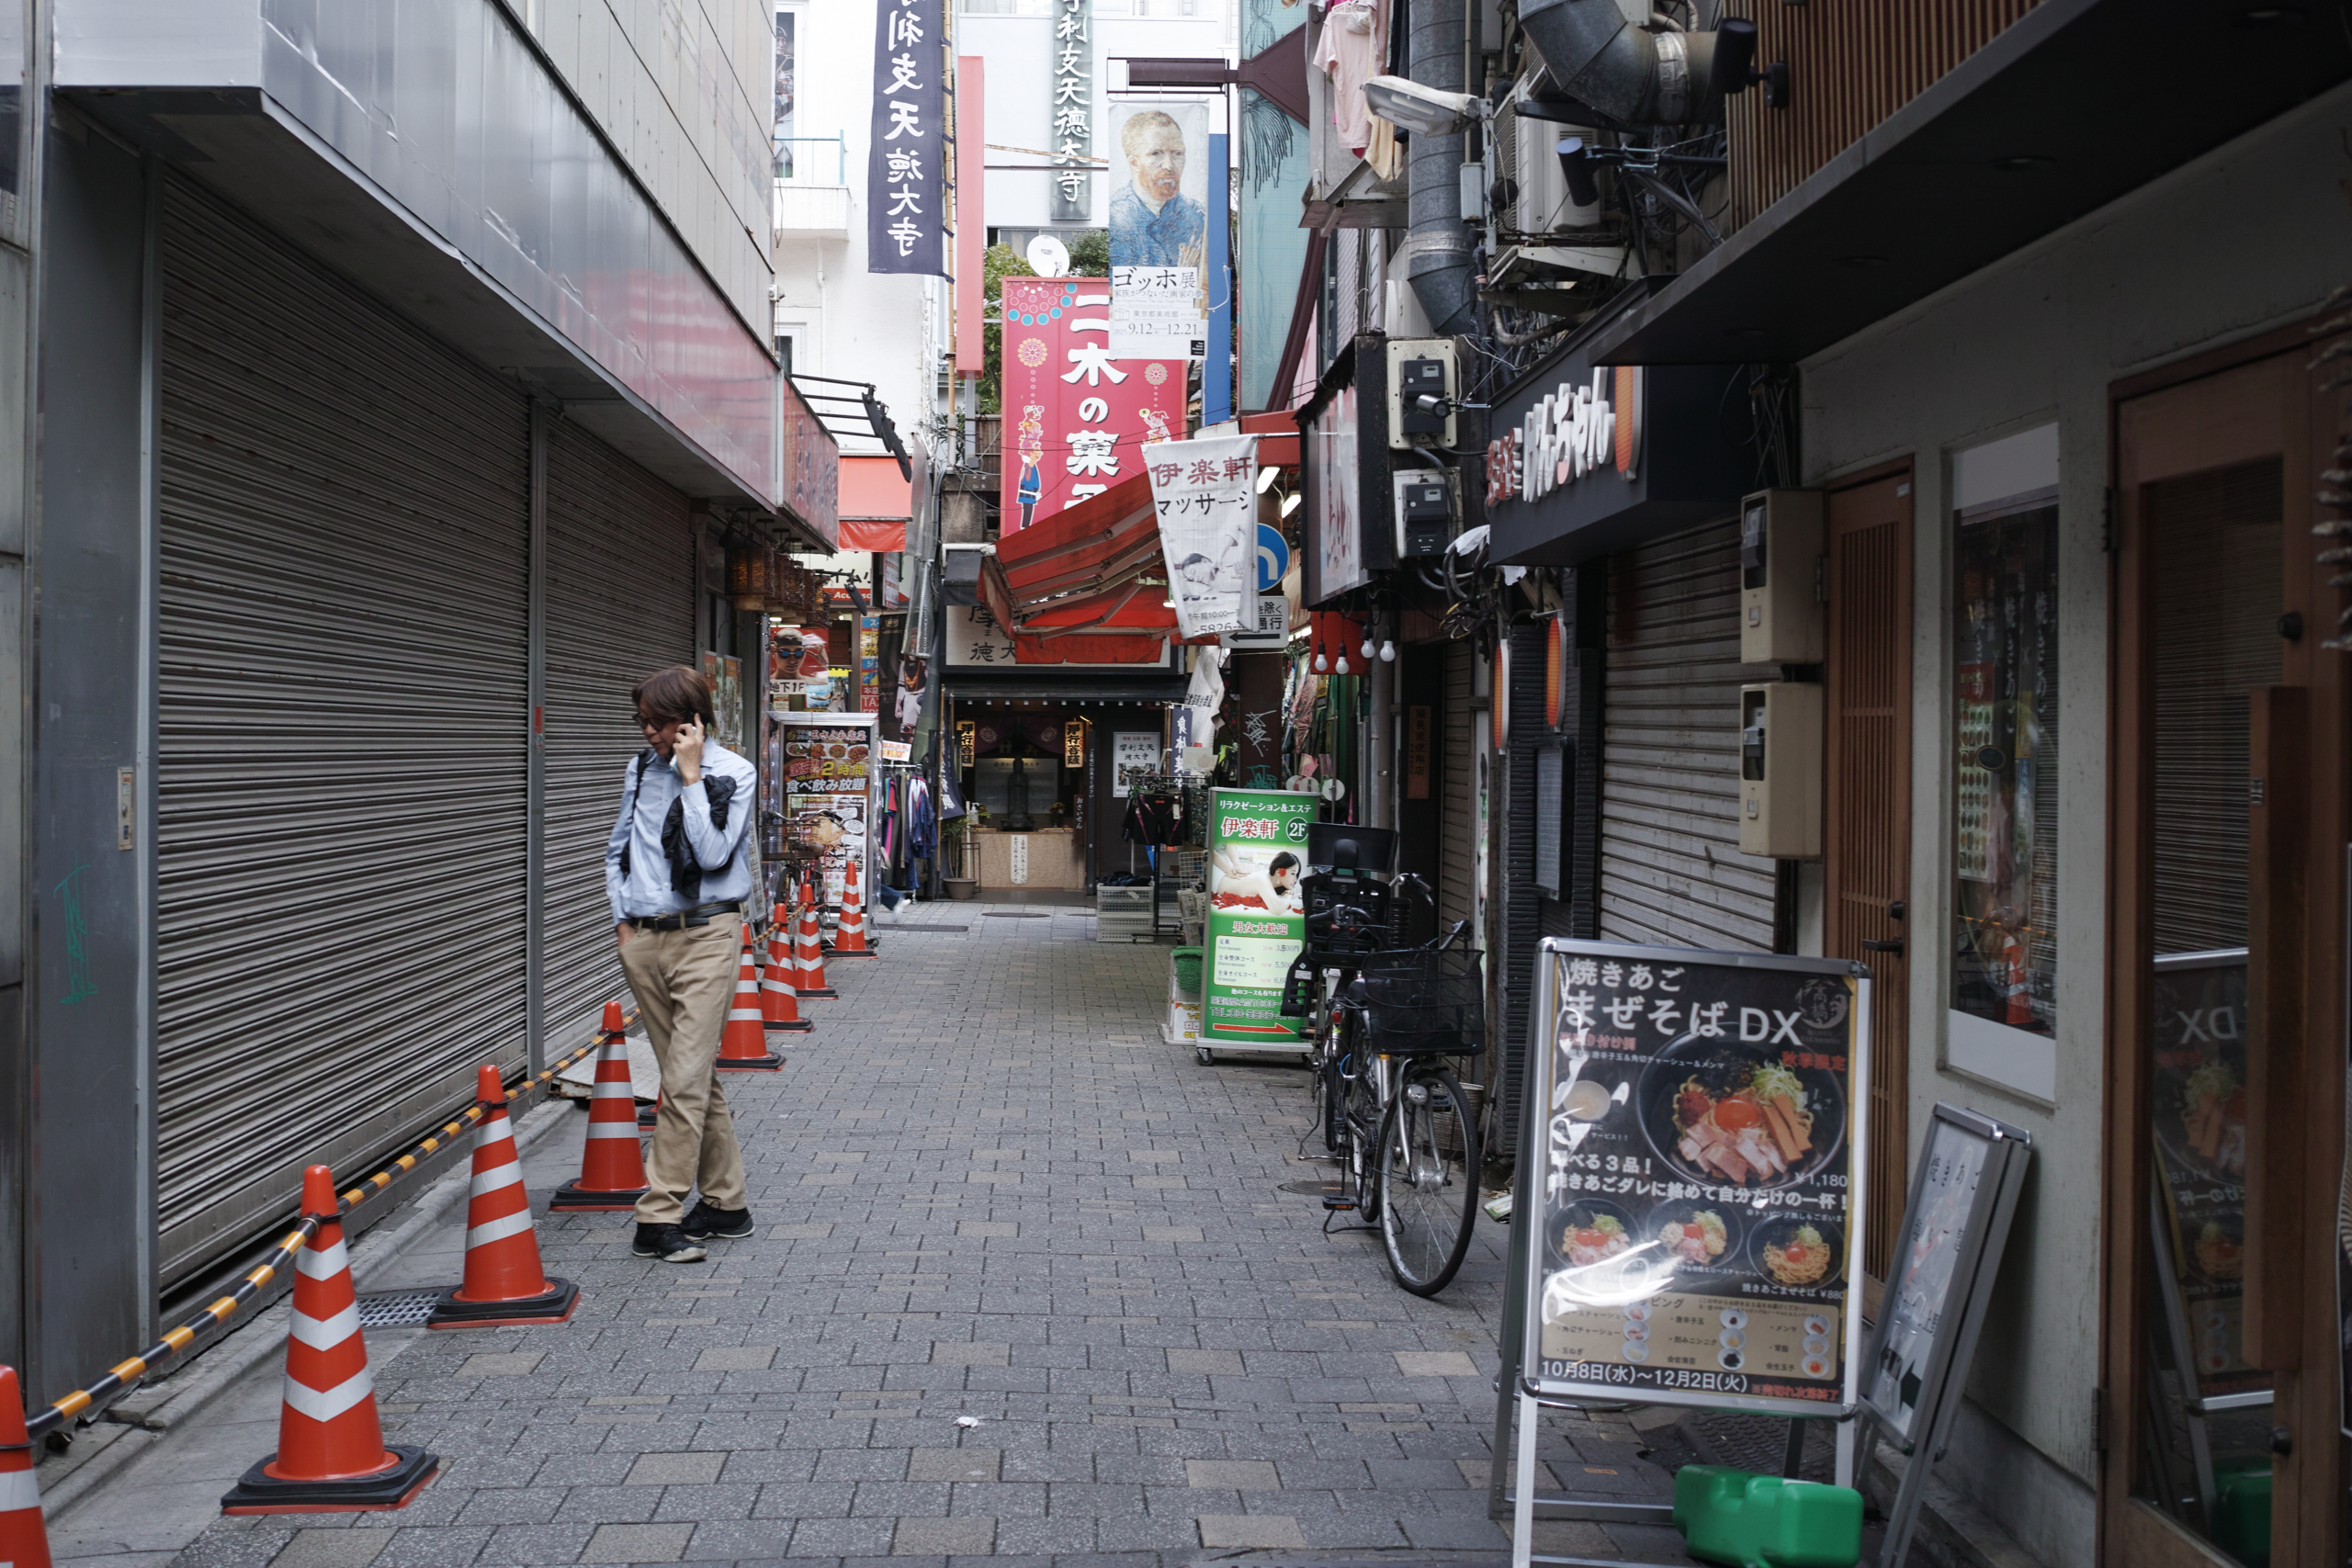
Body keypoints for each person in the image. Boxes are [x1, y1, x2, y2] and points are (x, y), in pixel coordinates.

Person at [605, 666, 761, 1264]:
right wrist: (622, 920)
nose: (648, 733)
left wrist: (691, 777)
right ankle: (727, 1204)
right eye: (642, 721)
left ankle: (658, 1211)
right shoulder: (640, 768)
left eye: (660, 722)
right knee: (693, 1077)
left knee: (684, 1080)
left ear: (694, 720)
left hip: (706, 934)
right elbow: (619, 847)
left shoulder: (732, 772)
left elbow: (716, 852)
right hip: (645, 938)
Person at [1109, 110, 1206, 271]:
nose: (1169, 165)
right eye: (1156, 154)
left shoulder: (1197, 215)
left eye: (1178, 154)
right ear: (1134, 163)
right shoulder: (1115, 214)